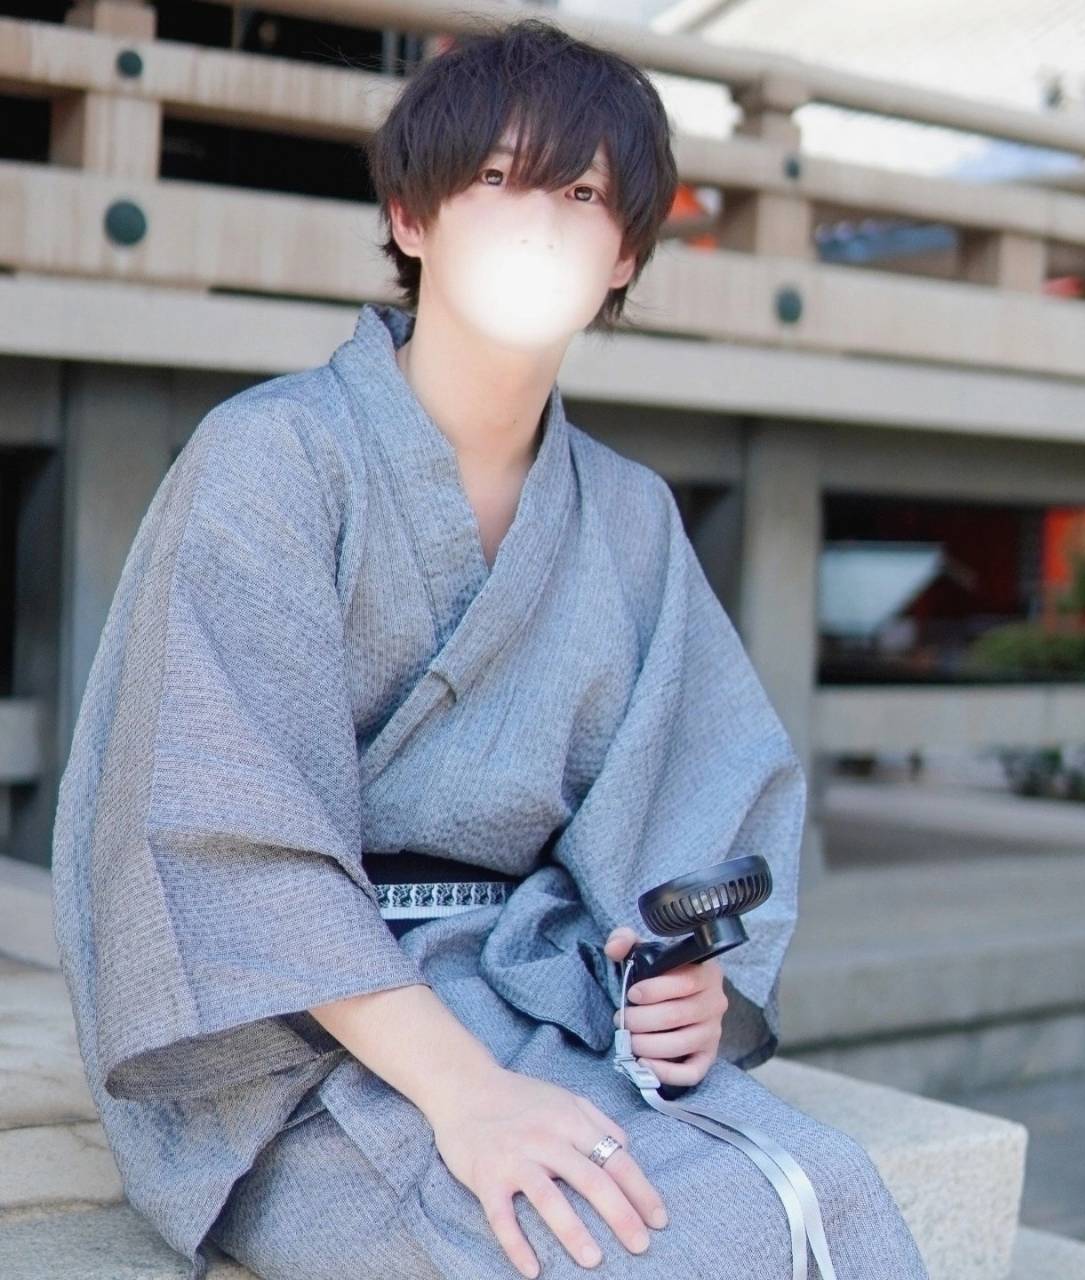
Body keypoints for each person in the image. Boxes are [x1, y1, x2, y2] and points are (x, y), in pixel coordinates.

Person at [50, 16, 930, 1280]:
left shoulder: (626, 514)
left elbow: (691, 796)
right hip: (290, 1043)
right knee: (641, 1247)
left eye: (580, 195)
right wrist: (466, 1095)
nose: (536, 225)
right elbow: (227, 830)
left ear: (624, 253)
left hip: (527, 987)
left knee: (829, 1189)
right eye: (498, 178)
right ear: (410, 217)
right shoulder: (271, 458)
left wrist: (683, 980)